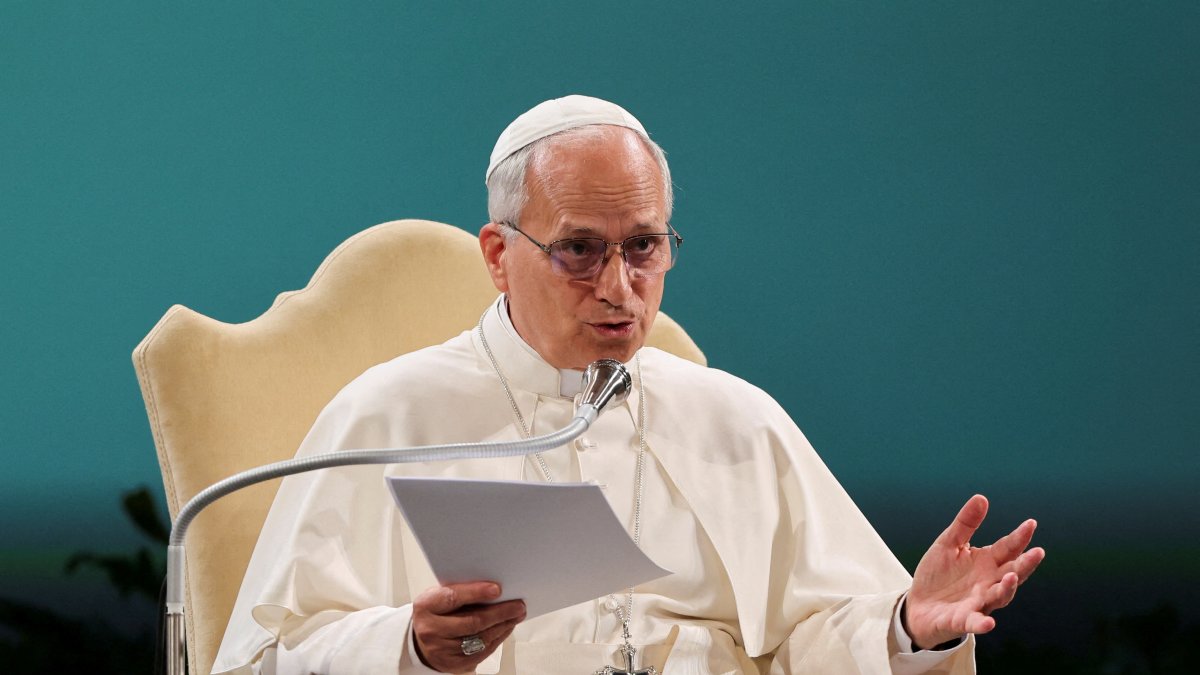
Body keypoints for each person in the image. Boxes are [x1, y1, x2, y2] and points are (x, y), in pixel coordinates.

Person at [213, 95, 1044, 674]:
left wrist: (905, 627)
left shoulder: (735, 420)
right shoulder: (386, 417)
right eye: (579, 249)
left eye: (644, 246)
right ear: (499, 255)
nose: (619, 287)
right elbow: (264, 660)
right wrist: (409, 648)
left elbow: (811, 641)